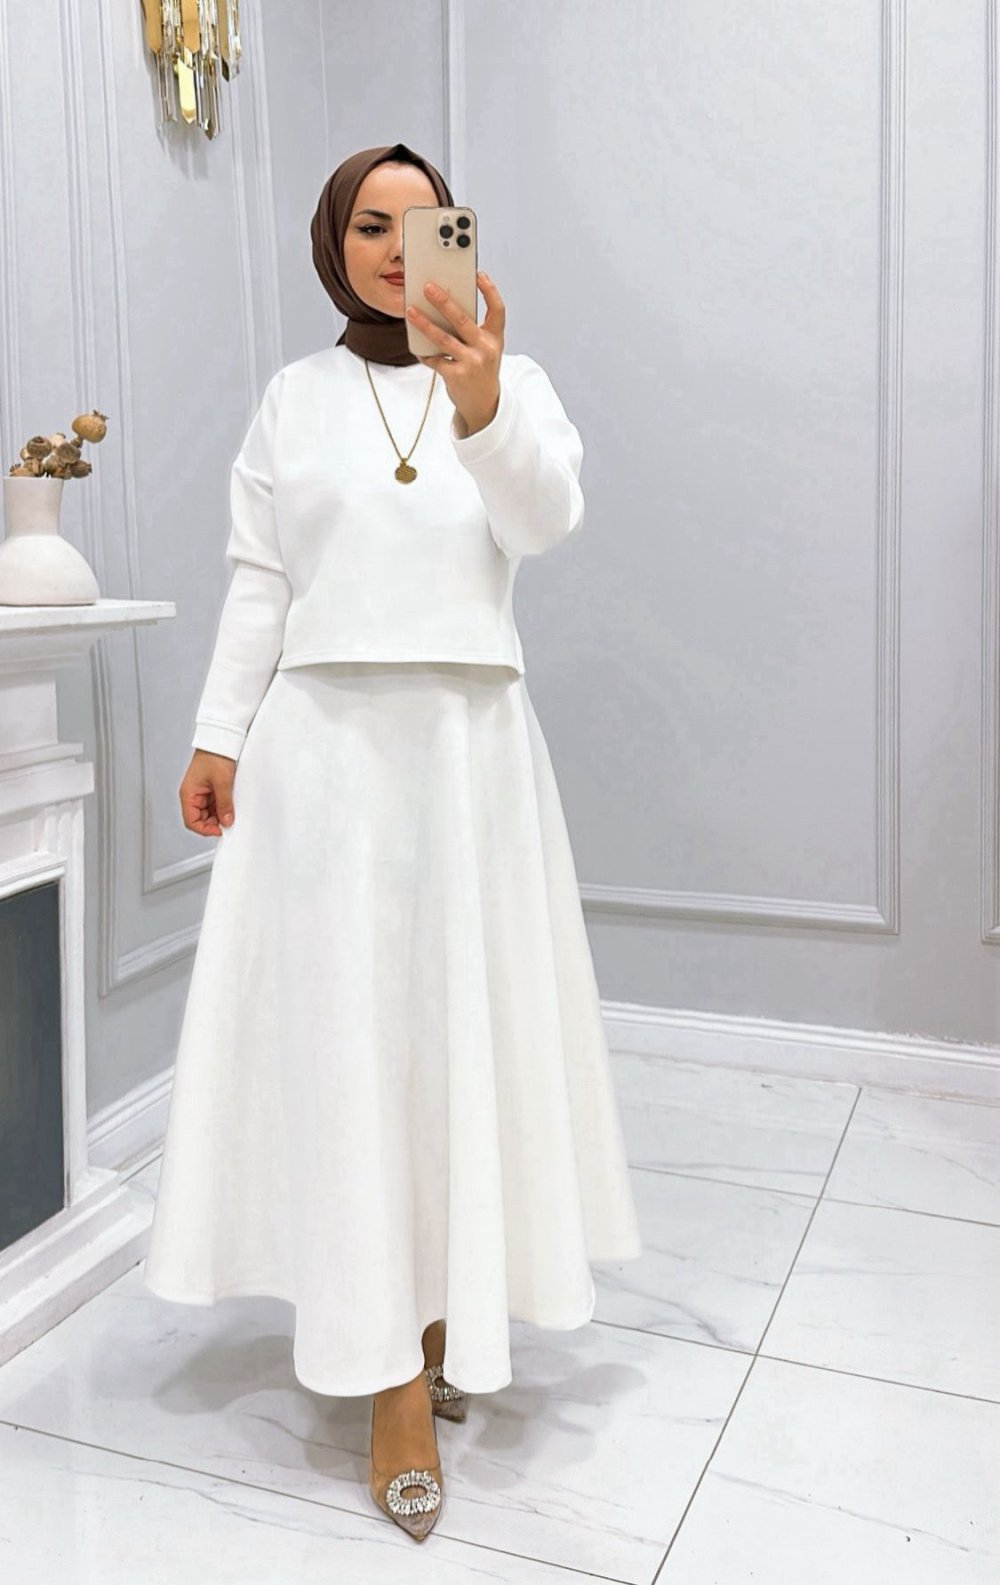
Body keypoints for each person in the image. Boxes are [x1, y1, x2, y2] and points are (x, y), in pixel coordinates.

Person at [142, 141, 642, 1543]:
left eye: (427, 223)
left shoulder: (512, 382)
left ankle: (442, 1313)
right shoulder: (292, 399)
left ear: (461, 241)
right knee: (354, 1045)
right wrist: (218, 735)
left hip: (468, 753)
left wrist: (482, 401)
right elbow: (260, 579)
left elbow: (545, 521)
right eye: (372, 223)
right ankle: (390, 1380)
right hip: (322, 762)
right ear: (334, 241)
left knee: (452, 1036)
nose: (397, 246)